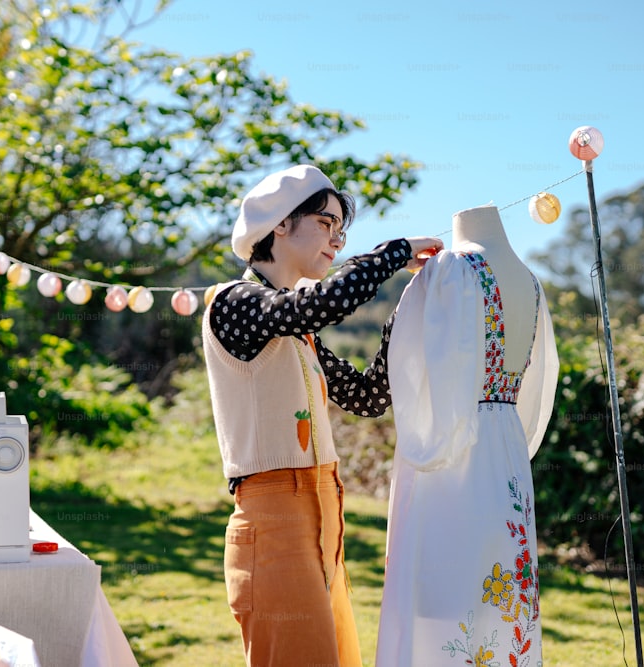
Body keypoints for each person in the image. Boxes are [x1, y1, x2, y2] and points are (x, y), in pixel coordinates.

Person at [201, 164, 443, 667]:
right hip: (274, 520)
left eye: (341, 229)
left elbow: (368, 396)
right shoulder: (234, 303)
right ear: (281, 224)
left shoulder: (295, 330)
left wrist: (409, 310)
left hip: (323, 519)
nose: (336, 239)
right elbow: (325, 302)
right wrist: (394, 252)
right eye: (326, 224)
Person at [376, 204, 559, 667]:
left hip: (452, 447)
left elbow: (415, 366)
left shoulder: (452, 271)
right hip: (508, 448)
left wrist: (425, 441)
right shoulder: (530, 281)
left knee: (442, 589)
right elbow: (539, 388)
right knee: (493, 593)